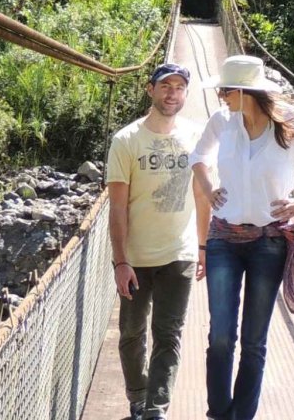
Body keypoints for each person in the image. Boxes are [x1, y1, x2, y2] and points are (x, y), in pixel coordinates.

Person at [189, 54, 294, 420]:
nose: (221, 98)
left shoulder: (291, 123)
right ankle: (219, 413)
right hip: (223, 240)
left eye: (225, 91)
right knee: (221, 336)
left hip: (269, 243)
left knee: (253, 341)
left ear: (244, 91)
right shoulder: (222, 122)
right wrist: (208, 186)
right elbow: (197, 156)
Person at [105, 62, 208, 420]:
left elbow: (201, 195)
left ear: (185, 94)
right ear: (150, 90)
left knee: (168, 335)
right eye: (166, 86)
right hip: (134, 256)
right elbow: (117, 206)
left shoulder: (197, 137)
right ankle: (138, 395)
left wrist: (203, 246)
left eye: (179, 87)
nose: (172, 93)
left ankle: (155, 409)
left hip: (178, 254)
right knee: (132, 334)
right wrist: (120, 261)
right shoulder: (126, 140)